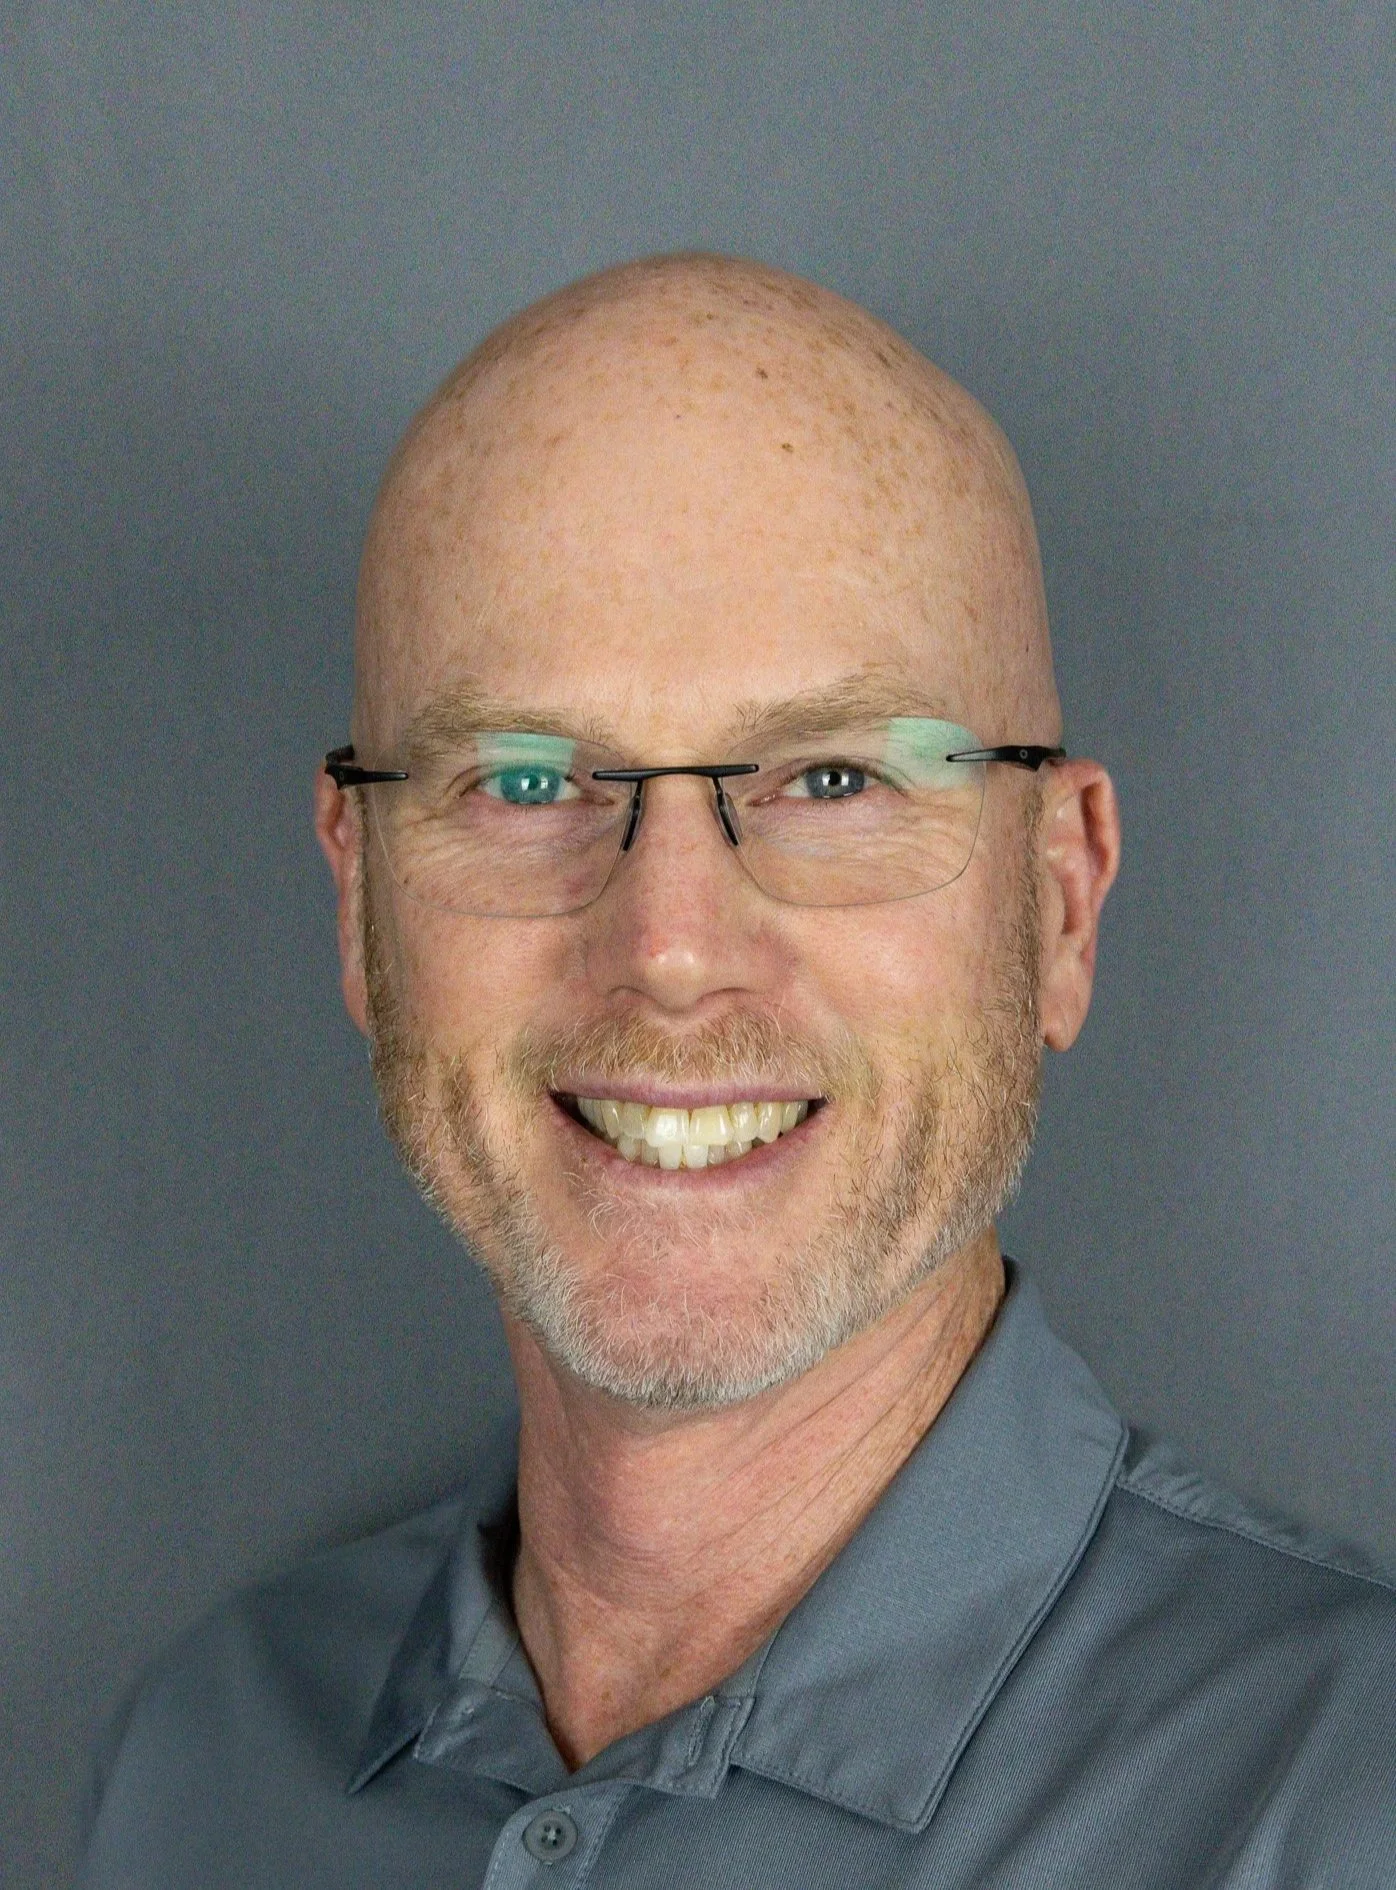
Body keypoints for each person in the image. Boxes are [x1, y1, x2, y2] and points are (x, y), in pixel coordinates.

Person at [82, 255, 1395, 1887]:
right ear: (359, 901)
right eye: (527, 777)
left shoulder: (1346, 1810)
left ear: (1058, 901)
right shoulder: (202, 1767)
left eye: (833, 775)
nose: (672, 946)